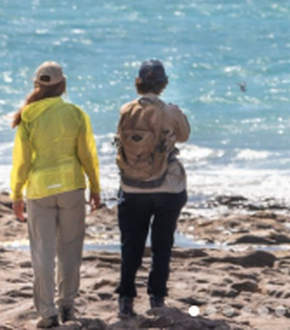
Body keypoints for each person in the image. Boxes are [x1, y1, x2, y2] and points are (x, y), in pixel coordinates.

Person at [10, 61, 102, 328]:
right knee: (70, 251)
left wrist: (16, 193)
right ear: (63, 84)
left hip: (39, 191)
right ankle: (68, 307)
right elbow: (87, 154)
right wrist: (95, 187)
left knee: (42, 253)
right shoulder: (75, 113)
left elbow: (22, 161)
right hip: (72, 188)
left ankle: (48, 314)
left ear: (37, 86)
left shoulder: (27, 116)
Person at [115, 59, 191, 318]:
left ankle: (125, 299)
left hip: (132, 186)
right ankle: (156, 297)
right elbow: (184, 135)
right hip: (167, 187)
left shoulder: (126, 109)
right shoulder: (170, 111)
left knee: (130, 245)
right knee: (162, 244)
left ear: (138, 83)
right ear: (163, 84)